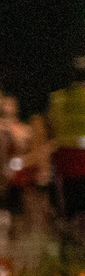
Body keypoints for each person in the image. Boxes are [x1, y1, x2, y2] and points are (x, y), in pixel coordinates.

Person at [48, 58, 85, 238]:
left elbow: (53, 129)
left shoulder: (57, 98)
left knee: (67, 214)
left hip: (65, 161)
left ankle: (69, 254)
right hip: (78, 160)